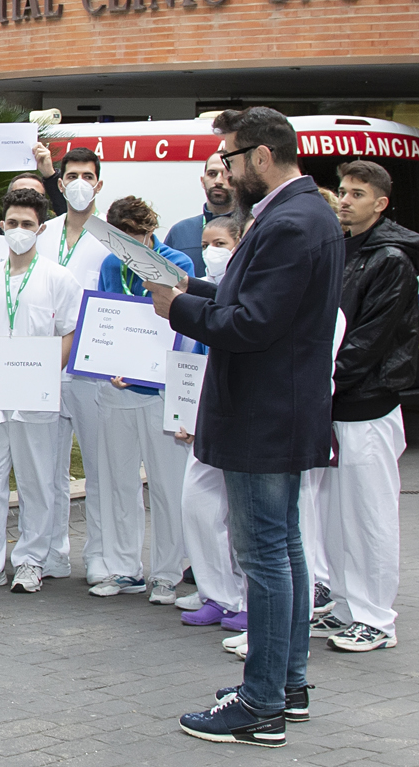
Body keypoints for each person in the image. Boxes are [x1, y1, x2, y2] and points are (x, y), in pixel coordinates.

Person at [147, 107, 343, 748]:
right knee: (282, 550)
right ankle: (285, 684)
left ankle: (260, 705)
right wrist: (191, 287)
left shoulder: (291, 221)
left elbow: (253, 324)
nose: (225, 172)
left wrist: (180, 310)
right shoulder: (300, 214)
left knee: (265, 557)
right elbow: (246, 299)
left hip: (265, 413)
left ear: (262, 156)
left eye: (229, 159)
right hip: (276, 410)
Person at [309, 160, 416, 653]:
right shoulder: (342, 249)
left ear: (381, 203)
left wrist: (324, 379)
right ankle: (347, 607)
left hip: (368, 403)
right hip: (334, 401)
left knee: (370, 515)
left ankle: (377, 618)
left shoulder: (391, 258)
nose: (346, 199)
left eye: (358, 193)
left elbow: (370, 338)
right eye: (343, 191)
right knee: (336, 515)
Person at [0, 188, 82, 594]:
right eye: (11, 223)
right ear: (1, 226)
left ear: (41, 228)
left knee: (37, 482)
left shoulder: (59, 278)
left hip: (36, 399)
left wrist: (44, 377)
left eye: (27, 224)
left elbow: (68, 332)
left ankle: (32, 561)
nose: (18, 230)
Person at [88, 196, 194, 604]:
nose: (128, 248)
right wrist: (108, 363)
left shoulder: (176, 265)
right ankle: (124, 569)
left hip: (160, 391)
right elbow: (105, 320)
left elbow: (184, 327)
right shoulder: (110, 265)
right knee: (118, 484)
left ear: (149, 231)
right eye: (120, 240)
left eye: (136, 238)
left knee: (167, 487)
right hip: (117, 391)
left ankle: (167, 573)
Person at [35, 147, 110, 583]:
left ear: (98, 184)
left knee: (98, 467)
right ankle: (51, 552)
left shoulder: (110, 238)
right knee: (48, 468)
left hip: (92, 369)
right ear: (59, 184)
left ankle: (99, 557)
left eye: (88, 175)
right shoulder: (42, 234)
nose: (80, 182)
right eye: (73, 175)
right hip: (44, 364)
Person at [176, 217, 248, 630]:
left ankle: (247, 598)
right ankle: (216, 594)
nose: (211, 251)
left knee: (243, 514)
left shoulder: (245, 293)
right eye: (205, 244)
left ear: (239, 244)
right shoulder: (199, 291)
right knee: (198, 502)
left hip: (237, 411)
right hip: (199, 412)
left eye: (220, 242)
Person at [166, 152, 235, 277]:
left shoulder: (251, 228)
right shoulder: (181, 231)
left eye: (226, 174)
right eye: (212, 174)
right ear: (203, 181)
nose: (218, 181)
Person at [198, 216, 242, 286]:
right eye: (205, 246)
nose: (210, 250)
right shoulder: (197, 286)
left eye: (220, 243)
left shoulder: (247, 284)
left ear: (238, 243)